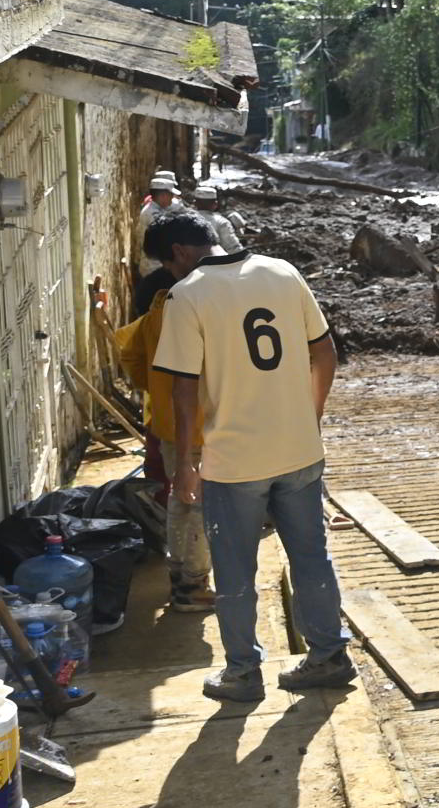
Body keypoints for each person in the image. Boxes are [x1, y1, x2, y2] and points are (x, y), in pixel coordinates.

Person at [153, 215, 353, 702]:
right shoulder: (283, 272)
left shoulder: (188, 296)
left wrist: (185, 462)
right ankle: (329, 655)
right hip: (299, 449)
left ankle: (243, 672)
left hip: (234, 459)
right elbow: (325, 353)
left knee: (236, 567)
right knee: (311, 557)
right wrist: (312, 416)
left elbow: (184, 390)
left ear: (179, 254)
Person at [114, 216, 216, 612]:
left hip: (174, 422)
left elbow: (131, 353)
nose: (172, 273)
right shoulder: (192, 299)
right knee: (195, 503)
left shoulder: (162, 300)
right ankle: (191, 586)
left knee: (183, 499)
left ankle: (184, 581)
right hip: (199, 423)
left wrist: (155, 391)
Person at [136, 174, 183, 275]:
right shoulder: (151, 214)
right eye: (170, 194)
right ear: (163, 196)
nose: (173, 197)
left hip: (158, 264)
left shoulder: (157, 209)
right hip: (153, 267)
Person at [192, 184, 244, 253]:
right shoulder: (222, 222)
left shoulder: (183, 220)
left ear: (195, 203)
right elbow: (234, 249)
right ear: (215, 204)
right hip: (214, 262)